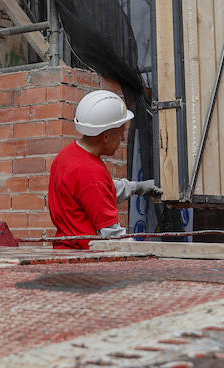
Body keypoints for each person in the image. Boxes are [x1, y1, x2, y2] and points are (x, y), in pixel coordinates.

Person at [48, 90, 160, 249]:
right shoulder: (91, 172)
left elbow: (97, 192)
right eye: (121, 134)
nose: (122, 139)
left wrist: (138, 187)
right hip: (85, 259)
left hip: (65, 250)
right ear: (106, 136)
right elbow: (113, 236)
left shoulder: (66, 156)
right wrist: (147, 254)